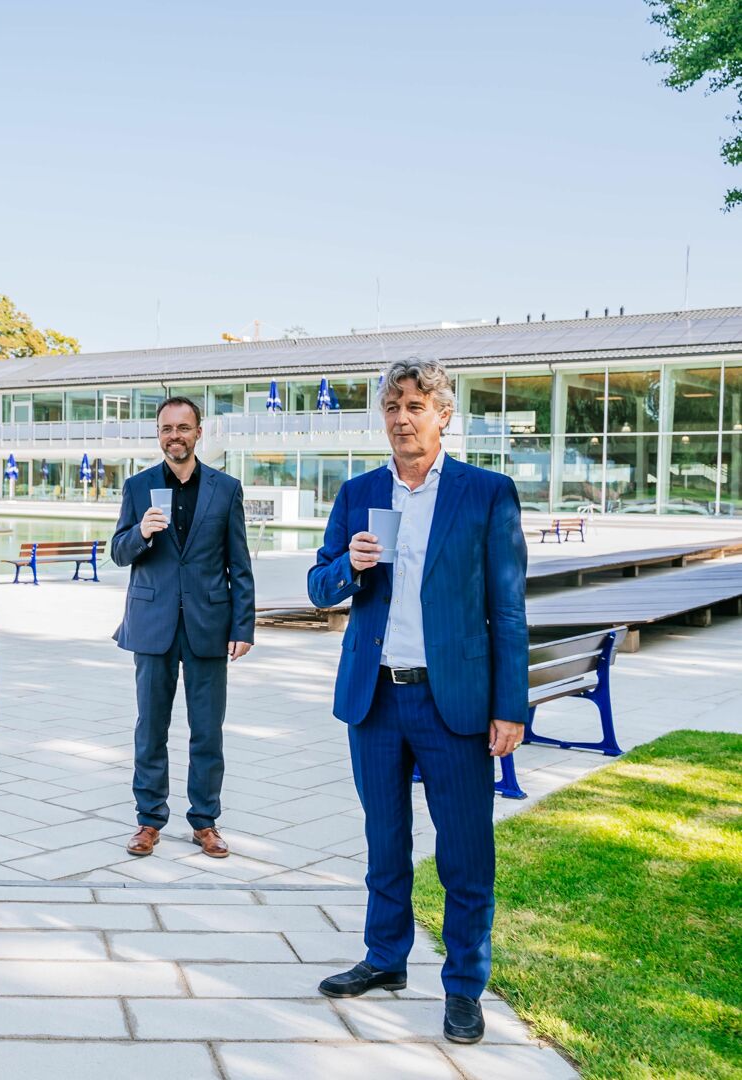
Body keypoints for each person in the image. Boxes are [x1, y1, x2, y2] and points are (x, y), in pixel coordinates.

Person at [306, 357, 527, 1045]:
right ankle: (385, 958)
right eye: (392, 406)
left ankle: (463, 986)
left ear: (443, 415)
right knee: (385, 841)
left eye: (415, 406)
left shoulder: (486, 493)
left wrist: (511, 706)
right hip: (375, 698)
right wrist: (349, 567)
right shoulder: (358, 492)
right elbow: (319, 585)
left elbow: (508, 608)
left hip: (452, 701)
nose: (402, 419)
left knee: (465, 852)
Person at [110, 396, 254, 859]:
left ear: (198, 432)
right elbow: (118, 552)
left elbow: (239, 564)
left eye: (183, 427)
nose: (175, 435)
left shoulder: (226, 489)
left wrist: (243, 626)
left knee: (207, 730)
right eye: (167, 428)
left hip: (208, 624)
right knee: (150, 727)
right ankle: (149, 820)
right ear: (159, 434)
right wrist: (141, 533)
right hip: (152, 624)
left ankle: (205, 821)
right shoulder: (137, 487)